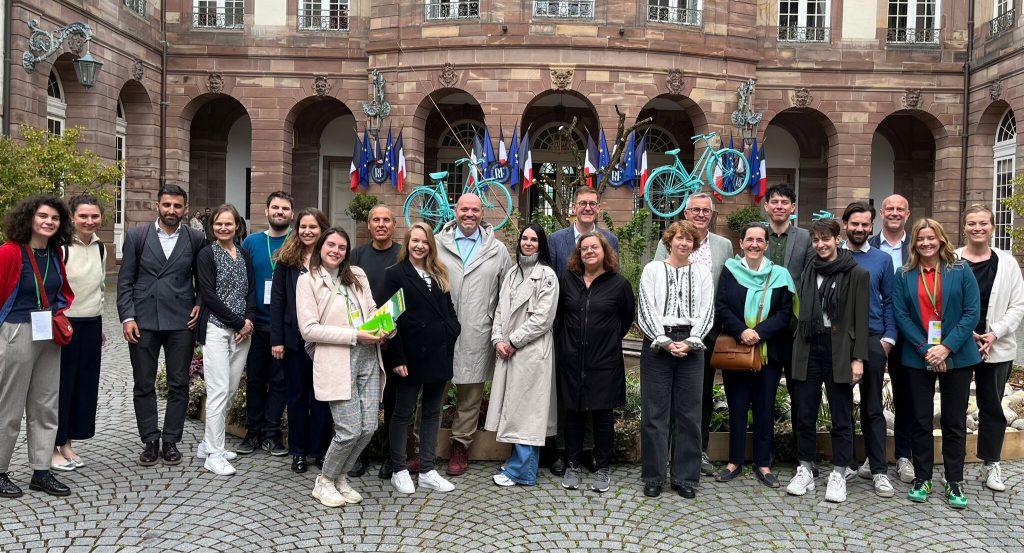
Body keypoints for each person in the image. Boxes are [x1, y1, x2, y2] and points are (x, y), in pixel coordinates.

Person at [892, 218, 981, 509]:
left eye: (931, 238)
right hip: (918, 356)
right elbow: (901, 315)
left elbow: (971, 313)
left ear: (941, 240)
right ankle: (923, 477)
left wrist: (945, 348)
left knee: (954, 421)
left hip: (957, 354)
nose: (926, 243)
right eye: (920, 239)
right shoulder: (904, 274)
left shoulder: (960, 269)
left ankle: (954, 481)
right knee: (920, 419)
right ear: (914, 243)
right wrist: (927, 348)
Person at [296, 228, 385, 507]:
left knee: (368, 427)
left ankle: (341, 476)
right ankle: (324, 480)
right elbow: (308, 330)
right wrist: (354, 335)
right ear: (321, 247)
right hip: (337, 359)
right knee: (349, 429)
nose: (336, 251)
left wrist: (384, 325)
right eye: (331, 245)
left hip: (368, 356)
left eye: (342, 247)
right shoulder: (307, 281)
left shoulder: (357, 275)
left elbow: (370, 310)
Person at [117, 184, 205, 467]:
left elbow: (203, 279)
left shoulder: (195, 238)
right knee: (144, 383)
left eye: (177, 206)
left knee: (179, 383)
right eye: (167, 205)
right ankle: (150, 439)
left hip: (181, 320)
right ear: (158, 206)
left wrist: (200, 303)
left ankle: (170, 441)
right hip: (144, 320)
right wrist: (127, 317)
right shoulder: (137, 236)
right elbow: (125, 281)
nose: (171, 210)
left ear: (185, 209)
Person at [786, 218, 869, 503]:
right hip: (809, 346)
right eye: (816, 240)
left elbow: (860, 318)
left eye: (826, 238)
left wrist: (858, 358)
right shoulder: (809, 269)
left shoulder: (856, 273)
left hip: (839, 350)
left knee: (841, 415)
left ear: (837, 238)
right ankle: (806, 468)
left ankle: (839, 471)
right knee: (804, 413)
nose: (821, 244)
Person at [0, 194, 75, 498]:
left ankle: (41, 471)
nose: (49, 222)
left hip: (47, 334)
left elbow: (61, 292)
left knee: (46, 404)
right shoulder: (9, 252)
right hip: (16, 331)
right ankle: (1, 471)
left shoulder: (56, 254)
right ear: (29, 218)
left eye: (55, 218)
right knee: (9, 407)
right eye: (43, 216)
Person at [653, 192, 734, 476]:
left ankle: (697, 452)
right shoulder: (669, 241)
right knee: (667, 395)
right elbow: (655, 282)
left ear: (712, 215)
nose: (701, 214)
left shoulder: (724, 245)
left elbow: (727, 286)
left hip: (707, 331)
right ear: (686, 213)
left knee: (699, 395)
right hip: (669, 330)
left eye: (706, 211)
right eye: (695, 210)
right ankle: (666, 453)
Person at [381, 222, 461, 495]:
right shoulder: (395, 274)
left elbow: (449, 310)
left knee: (431, 413)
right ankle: (399, 469)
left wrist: (452, 331)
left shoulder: (439, 273)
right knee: (402, 413)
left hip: (438, 354)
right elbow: (390, 320)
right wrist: (397, 357)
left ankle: (427, 469)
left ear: (431, 245)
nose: (419, 246)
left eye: (424, 241)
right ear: (407, 243)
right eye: (414, 240)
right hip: (409, 357)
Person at [435, 193, 511, 476]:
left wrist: (501, 330)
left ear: (483, 213)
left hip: (478, 330)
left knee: (470, 395)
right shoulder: (438, 244)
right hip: (439, 333)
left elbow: (506, 293)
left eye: (475, 210)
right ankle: (424, 447)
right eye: (464, 209)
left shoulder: (497, 249)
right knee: (432, 392)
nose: (469, 214)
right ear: (456, 211)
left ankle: (460, 446)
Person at [714, 223, 794, 489]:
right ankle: (734, 461)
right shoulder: (730, 271)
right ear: (741, 243)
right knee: (736, 407)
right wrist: (741, 331)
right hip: (737, 351)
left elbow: (785, 313)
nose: (754, 244)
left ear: (767, 245)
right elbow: (722, 305)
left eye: (760, 240)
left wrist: (758, 333)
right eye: (750, 239)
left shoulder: (780, 275)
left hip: (768, 353)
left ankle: (763, 463)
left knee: (764, 408)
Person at [637, 221, 714, 499]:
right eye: (679, 238)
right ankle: (654, 476)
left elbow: (707, 309)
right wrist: (666, 341)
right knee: (655, 414)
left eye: (689, 240)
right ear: (669, 241)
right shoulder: (652, 269)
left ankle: (685, 478)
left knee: (689, 414)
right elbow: (645, 307)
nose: (684, 243)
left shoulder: (703, 272)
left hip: (692, 345)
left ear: (694, 244)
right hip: (658, 344)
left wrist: (692, 342)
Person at [547, 186, 620, 476]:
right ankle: (565, 452)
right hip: (566, 333)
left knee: (596, 396)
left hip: (599, 340)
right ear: (574, 208)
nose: (587, 207)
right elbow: (552, 288)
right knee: (567, 397)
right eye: (582, 203)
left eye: (592, 203)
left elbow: (616, 291)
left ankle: (589, 451)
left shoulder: (610, 239)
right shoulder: (556, 240)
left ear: (598, 208)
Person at [554, 232, 635, 493]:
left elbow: (625, 320)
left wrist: (605, 341)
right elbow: (558, 318)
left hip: (604, 361)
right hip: (572, 360)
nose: (589, 251)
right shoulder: (567, 281)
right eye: (584, 248)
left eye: (594, 247)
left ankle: (602, 468)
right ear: (579, 254)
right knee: (574, 414)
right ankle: (573, 464)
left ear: (605, 252)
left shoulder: (619, 284)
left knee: (602, 417)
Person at [956, 205, 1024, 492]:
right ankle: (953, 463)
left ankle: (991, 462)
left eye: (983, 223)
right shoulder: (954, 260)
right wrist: (967, 334)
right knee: (955, 405)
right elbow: (946, 302)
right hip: (960, 344)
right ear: (964, 228)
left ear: (992, 227)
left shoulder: (1008, 263)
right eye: (972, 223)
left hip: (997, 346)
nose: (977, 228)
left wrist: (993, 334)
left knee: (992, 406)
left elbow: (1017, 305)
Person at [486, 224, 559, 487]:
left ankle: (523, 471)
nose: (528, 243)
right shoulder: (512, 273)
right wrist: (497, 340)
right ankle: (518, 464)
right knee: (516, 411)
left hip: (531, 352)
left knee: (529, 414)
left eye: (534, 239)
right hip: (508, 351)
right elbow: (499, 311)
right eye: (524, 238)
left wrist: (513, 341)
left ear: (541, 245)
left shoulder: (547, 276)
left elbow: (543, 318)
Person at [270, 208, 333, 474]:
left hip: (325, 341)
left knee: (322, 398)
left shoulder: (330, 258)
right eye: (303, 227)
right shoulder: (287, 260)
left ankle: (318, 450)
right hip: (294, 340)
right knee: (296, 397)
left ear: (323, 230)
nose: (307, 231)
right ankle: (298, 451)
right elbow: (278, 301)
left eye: (313, 227)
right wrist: (277, 340)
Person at [840, 202, 897, 496]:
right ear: (845, 224)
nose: (860, 229)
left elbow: (890, 301)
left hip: (873, 336)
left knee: (873, 407)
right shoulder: (834, 255)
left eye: (865, 224)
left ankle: (878, 470)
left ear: (871, 226)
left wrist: (888, 338)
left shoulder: (882, 260)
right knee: (841, 403)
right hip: (839, 339)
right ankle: (847, 463)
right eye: (855, 224)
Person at [195, 204, 256, 475]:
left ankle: (208, 443)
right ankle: (214, 454)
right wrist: (238, 322)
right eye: (218, 223)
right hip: (217, 329)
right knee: (218, 390)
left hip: (243, 333)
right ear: (212, 226)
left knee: (230, 389)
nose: (223, 228)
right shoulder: (206, 255)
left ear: (237, 226)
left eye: (228, 223)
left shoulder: (243, 254)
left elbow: (251, 291)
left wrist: (249, 321)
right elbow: (208, 295)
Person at [52, 195, 107, 472]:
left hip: (91, 323)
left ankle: (68, 443)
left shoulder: (100, 247)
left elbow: (100, 288)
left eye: (94, 216)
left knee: (83, 387)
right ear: (72, 217)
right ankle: (53, 445)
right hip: (66, 325)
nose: (89, 221)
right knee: (61, 387)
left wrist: (100, 325)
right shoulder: (61, 247)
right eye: (83, 216)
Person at [238, 191, 294, 458]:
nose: (279, 212)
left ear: (291, 213)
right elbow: (244, 283)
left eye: (284, 208)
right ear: (267, 210)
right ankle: (253, 432)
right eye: (275, 207)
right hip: (257, 323)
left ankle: (272, 434)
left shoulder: (298, 241)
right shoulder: (251, 242)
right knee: (256, 381)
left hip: (284, 326)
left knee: (280, 382)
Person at [349, 204, 402, 479]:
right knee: (362, 401)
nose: (381, 224)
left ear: (394, 225)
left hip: (395, 339)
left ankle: (393, 458)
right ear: (368, 225)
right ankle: (360, 456)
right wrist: (368, 333)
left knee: (393, 402)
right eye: (376, 220)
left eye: (386, 220)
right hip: (364, 340)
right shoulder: (357, 256)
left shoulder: (402, 254)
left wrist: (387, 332)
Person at [868, 194, 914, 483]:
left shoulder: (919, 245)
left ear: (907, 214)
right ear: (881, 213)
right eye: (890, 209)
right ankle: (870, 458)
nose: (895, 213)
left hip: (910, 332)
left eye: (900, 209)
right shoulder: (868, 246)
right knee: (871, 397)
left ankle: (904, 455)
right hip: (876, 333)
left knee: (906, 395)